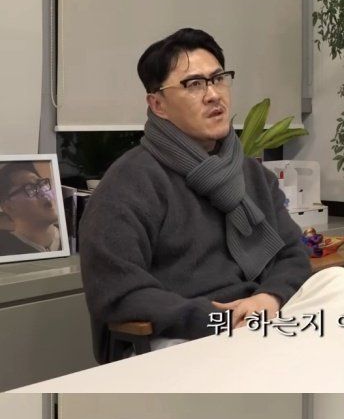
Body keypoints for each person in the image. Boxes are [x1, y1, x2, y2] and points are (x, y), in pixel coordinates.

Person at [77, 20, 313, 359]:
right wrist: (216, 319)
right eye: (194, 84)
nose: (213, 94)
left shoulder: (251, 174)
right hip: (181, 333)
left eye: (218, 79)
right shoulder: (128, 183)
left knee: (340, 284)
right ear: (158, 105)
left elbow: (293, 254)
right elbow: (117, 290)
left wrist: (268, 298)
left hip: (256, 316)